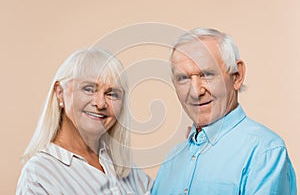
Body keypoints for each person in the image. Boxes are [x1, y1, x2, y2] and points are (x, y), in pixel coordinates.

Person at [152, 28, 297, 194]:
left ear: (237, 76)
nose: (195, 92)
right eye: (183, 78)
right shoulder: (173, 159)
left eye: (207, 74)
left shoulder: (264, 152)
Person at [16, 48, 153, 194]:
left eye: (112, 94)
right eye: (88, 89)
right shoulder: (39, 174)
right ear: (60, 92)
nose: (100, 103)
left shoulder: (126, 168)